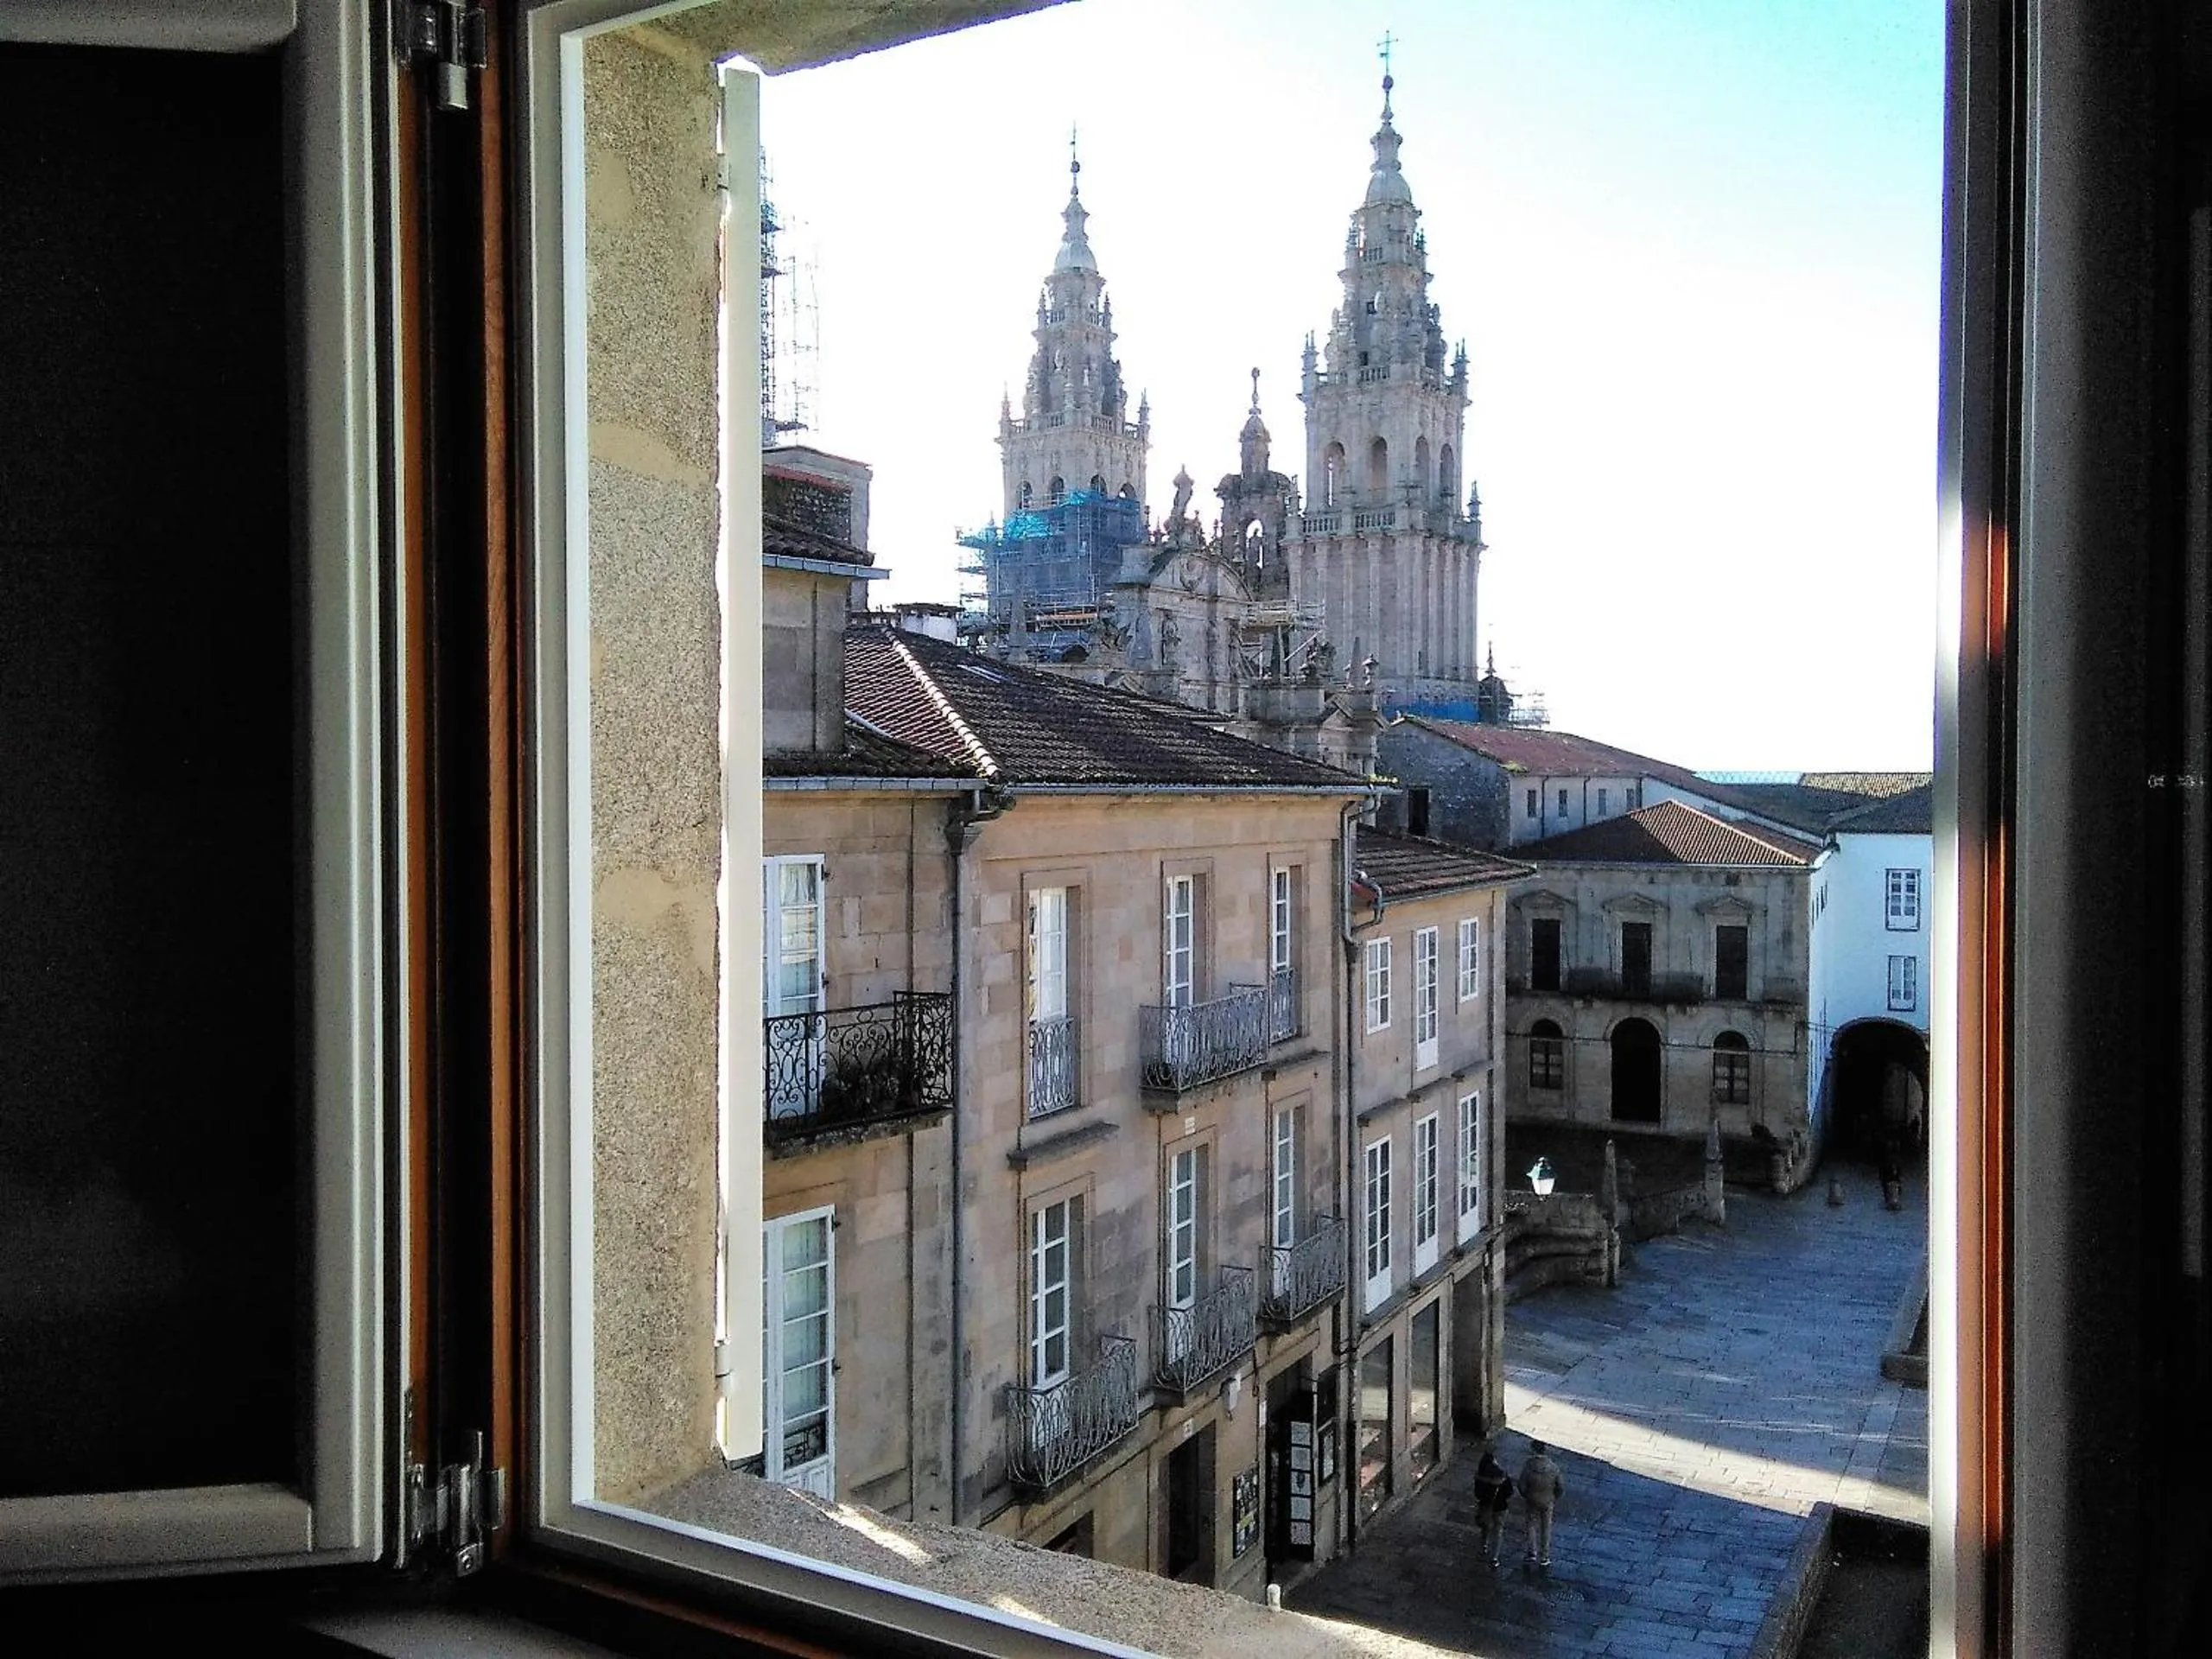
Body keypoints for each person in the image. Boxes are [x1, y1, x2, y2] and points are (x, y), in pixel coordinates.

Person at [1517, 1440, 1565, 1569]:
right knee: (1546, 1528)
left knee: (1531, 1525)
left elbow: (1521, 1485)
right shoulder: (1553, 1467)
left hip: (1532, 1499)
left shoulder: (1528, 1467)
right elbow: (1560, 1486)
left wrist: (1527, 1495)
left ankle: (1532, 1552)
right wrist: (1554, 1497)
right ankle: (1544, 1556)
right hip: (1548, 1500)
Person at [1471, 1446, 1514, 1567]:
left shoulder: (1480, 1476)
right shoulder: (1502, 1475)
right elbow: (1509, 1492)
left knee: (1485, 1527)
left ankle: (1484, 1545)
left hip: (1486, 1506)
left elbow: (1477, 1494)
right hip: (1501, 1507)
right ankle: (1495, 1557)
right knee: (1498, 1530)